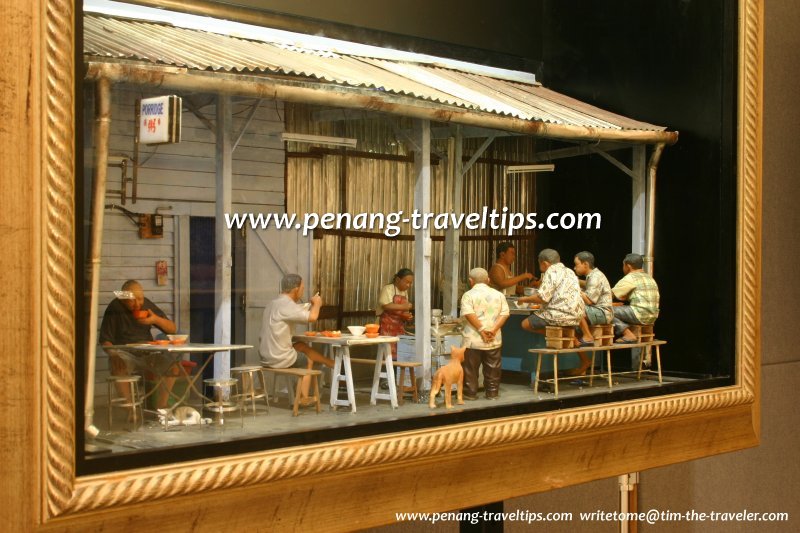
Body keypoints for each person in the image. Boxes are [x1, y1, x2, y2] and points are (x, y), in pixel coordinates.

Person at [100, 280, 178, 409]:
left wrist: (155, 319)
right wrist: (113, 354)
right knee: (118, 367)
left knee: (173, 367)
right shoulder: (114, 308)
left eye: (140, 299)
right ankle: (131, 411)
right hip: (125, 354)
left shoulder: (146, 305)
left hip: (147, 353)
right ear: (123, 299)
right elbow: (105, 340)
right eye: (132, 300)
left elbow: (172, 329)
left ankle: (161, 408)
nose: (138, 304)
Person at [259, 274, 334, 403]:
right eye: (302, 288)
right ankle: (302, 397)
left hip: (265, 355)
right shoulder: (287, 305)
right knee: (307, 359)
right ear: (295, 289)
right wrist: (317, 304)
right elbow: (312, 318)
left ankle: (330, 363)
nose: (303, 291)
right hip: (277, 358)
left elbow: (296, 312)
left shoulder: (273, 304)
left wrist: (310, 306)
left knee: (300, 346)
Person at [460, 268, 510, 400]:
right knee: (493, 368)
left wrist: (482, 330)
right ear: (488, 280)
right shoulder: (499, 295)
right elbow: (505, 314)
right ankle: (492, 393)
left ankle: (470, 393)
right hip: (494, 339)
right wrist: (493, 330)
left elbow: (468, 313)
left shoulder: (468, 295)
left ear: (471, 281)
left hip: (473, 340)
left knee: (470, 369)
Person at [518, 249, 585, 336]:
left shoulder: (551, 271)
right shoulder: (569, 271)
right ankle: (567, 334)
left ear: (544, 263)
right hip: (577, 316)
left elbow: (542, 298)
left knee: (525, 324)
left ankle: (561, 334)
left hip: (561, 315)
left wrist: (524, 299)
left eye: (539, 263)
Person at [569, 251, 614, 375]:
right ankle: (584, 361)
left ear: (585, 264)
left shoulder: (595, 277)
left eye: (576, 264)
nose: (574, 267)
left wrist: (573, 289)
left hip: (602, 312)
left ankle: (587, 336)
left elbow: (589, 300)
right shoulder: (592, 276)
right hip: (596, 311)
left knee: (574, 308)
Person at [611, 253, 660, 343]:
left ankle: (628, 334)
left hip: (639, 314)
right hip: (653, 316)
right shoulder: (649, 278)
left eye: (623, 265)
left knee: (607, 311)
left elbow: (610, 295)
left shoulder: (630, 278)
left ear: (628, 266)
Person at [375, 268, 414, 359]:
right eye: (406, 282)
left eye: (410, 283)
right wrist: (404, 307)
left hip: (398, 328)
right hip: (386, 326)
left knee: (399, 353)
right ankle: (385, 371)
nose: (408, 285)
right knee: (386, 353)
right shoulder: (388, 289)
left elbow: (403, 311)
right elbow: (385, 306)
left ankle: (396, 372)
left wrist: (406, 316)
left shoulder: (404, 292)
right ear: (397, 280)